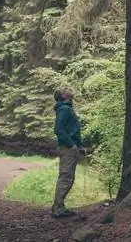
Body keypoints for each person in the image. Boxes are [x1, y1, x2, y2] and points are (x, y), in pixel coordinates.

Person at [51, 87, 82, 218]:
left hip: (69, 147)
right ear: (63, 96)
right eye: (65, 90)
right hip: (67, 148)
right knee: (66, 177)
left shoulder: (66, 108)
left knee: (67, 177)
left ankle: (58, 207)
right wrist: (72, 145)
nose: (68, 90)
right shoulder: (64, 109)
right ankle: (58, 209)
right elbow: (58, 129)